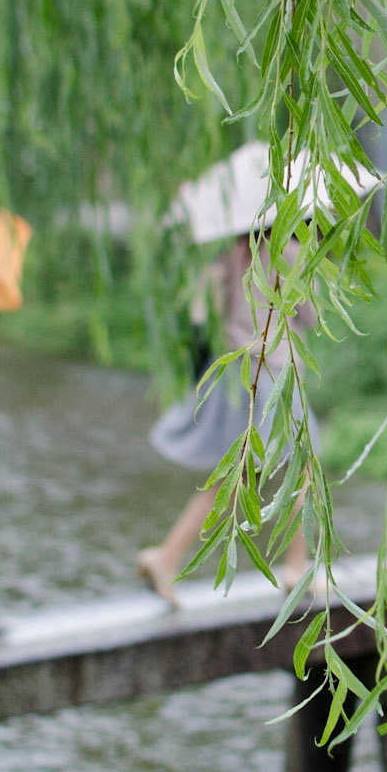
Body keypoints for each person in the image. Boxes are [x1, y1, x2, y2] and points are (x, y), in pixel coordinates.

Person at [137, 232, 312, 605]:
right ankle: (297, 567)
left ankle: (166, 556)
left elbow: (203, 315)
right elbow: (310, 315)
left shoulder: (230, 257)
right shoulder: (290, 254)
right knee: (301, 470)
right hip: (277, 372)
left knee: (233, 474)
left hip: (238, 373)